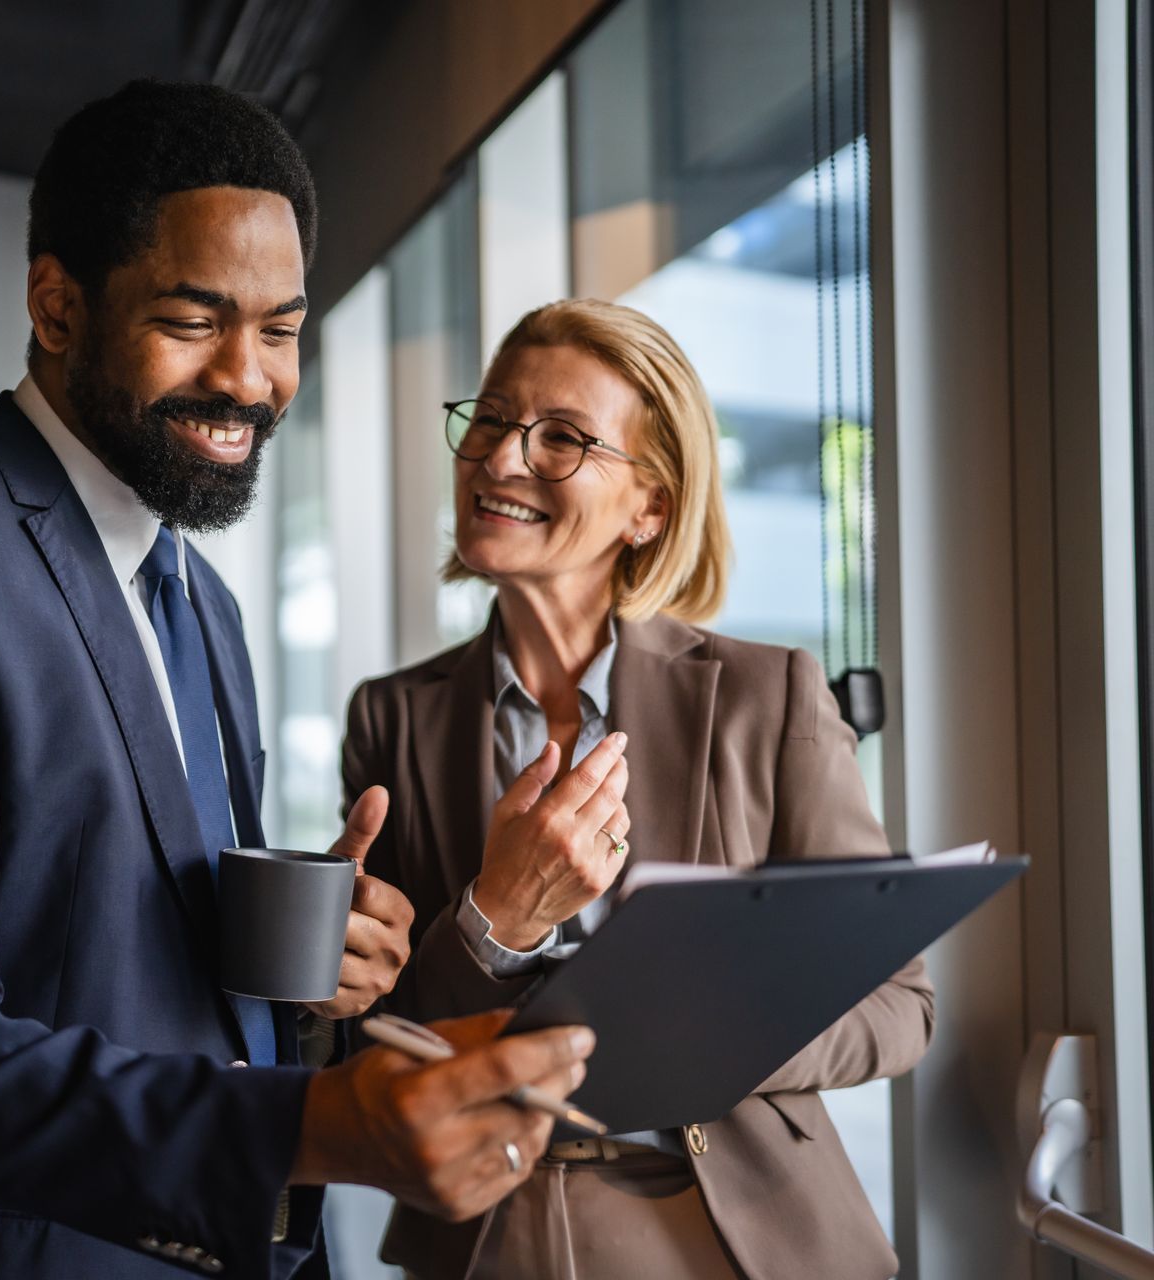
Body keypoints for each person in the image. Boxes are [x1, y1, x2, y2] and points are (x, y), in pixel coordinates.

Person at [0, 81, 596, 1280]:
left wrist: (302, 979)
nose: (249, 378)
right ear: (58, 303)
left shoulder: (205, 601)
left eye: (281, 330)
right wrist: (306, 1125)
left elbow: (115, 959)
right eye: (195, 319)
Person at [341, 298, 933, 1280]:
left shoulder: (766, 691)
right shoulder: (392, 718)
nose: (499, 458)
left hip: (736, 1231)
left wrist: (710, 1034)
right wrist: (493, 921)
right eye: (489, 419)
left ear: (649, 506)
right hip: (487, 1232)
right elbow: (388, 1023)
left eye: (562, 438)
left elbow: (899, 1001)